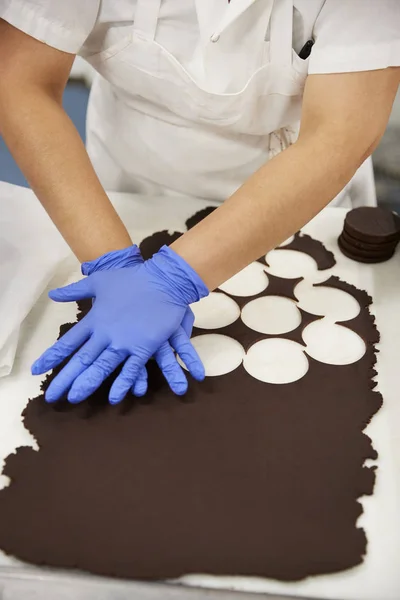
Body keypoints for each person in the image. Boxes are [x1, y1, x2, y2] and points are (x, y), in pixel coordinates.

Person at [0, 1, 399, 404]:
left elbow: (338, 134)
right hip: (123, 192)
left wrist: (174, 279)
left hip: (296, 199)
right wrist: (112, 262)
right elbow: (21, 81)